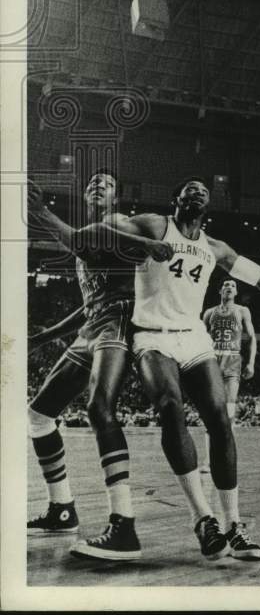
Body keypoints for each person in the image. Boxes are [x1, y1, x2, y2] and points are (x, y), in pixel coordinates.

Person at [79, 177, 260, 561]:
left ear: (208, 207)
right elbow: (103, 228)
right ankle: (203, 519)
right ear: (176, 199)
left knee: (220, 420)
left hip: (194, 336)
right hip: (152, 336)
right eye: (190, 188)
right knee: (170, 407)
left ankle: (233, 526)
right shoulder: (154, 224)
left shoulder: (216, 249)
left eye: (204, 191)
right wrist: (145, 244)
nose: (198, 191)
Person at [26, 172, 172, 560]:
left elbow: (84, 244)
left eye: (105, 183)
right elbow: (89, 303)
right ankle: (62, 508)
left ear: (116, 197)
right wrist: (44, 336)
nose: (95, 185)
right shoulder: (91, 231)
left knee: (99, 407)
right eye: (91, 182)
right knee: (39, 415)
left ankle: (124, 524)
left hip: (121, 319)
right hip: (94, 323)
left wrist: (39, 211)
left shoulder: (118, 224)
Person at [199, 280, 256, 473]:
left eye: (232, 285)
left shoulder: (242, 310)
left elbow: (252, 338)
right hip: (212, 360)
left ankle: (225, 457)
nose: (229, 287)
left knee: (229, 410)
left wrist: (251, 362)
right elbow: (198, 336)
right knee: (212, 411)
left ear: (237, 291)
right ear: (220, 290)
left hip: (232, 361)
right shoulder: (209, 312)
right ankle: (208, 460)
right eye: (225, 285)